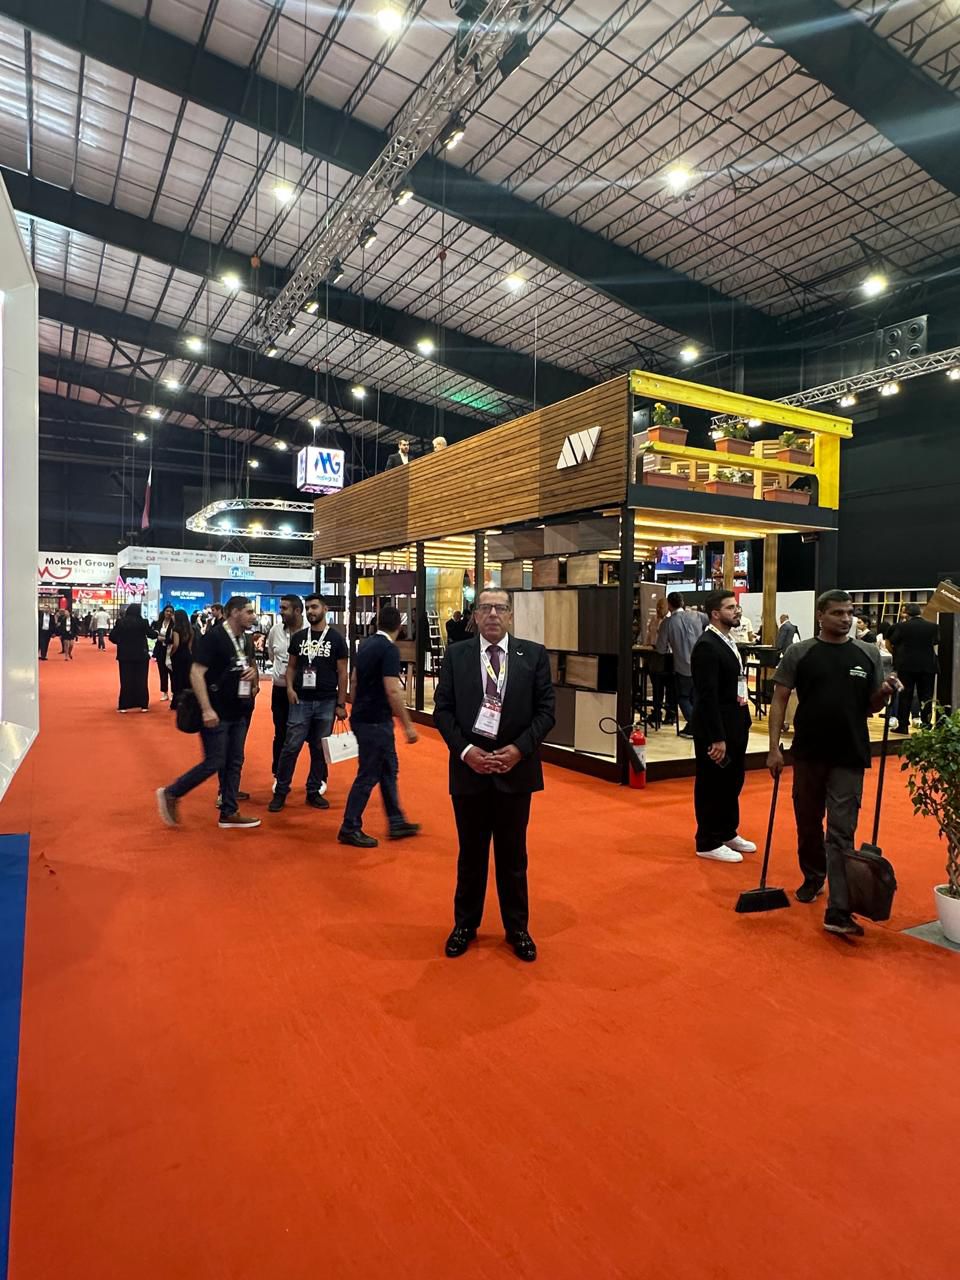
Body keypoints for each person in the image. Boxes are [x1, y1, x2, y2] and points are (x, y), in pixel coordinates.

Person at [766, 590, 901, 937]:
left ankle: (838, 908)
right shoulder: (800, 652)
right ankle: (814, 876)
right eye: (838, 613)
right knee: (808, 820)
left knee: (842, 830)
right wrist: (773, 747)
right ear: (821, 615)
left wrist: (884, 692)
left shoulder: (868, 653)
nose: (846, 618)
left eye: (849, 612)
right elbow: (779, 698)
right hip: (808, 751)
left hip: (850, 752)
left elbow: (871, 706)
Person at [433, 588, 556, 962]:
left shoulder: (532, 655)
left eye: (500, 608)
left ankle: (517, 929)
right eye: (485, 608)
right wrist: (466, 752)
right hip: (469, 770)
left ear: (510, 615)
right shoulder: (457, 655)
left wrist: (519, 750)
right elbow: (443, 711)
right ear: (475, 615)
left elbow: (546, 712)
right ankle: (465, 925)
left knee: (513, 856)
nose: (492, 614)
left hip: (515, 771)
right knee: (470, 854)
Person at [157, 596, 261, 829]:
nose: (253, 616)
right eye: (248, 612)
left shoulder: (244, 638)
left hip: (239, 709)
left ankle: (229, 811)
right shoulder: (214, 637)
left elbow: (246, 664)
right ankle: (172, 792)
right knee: (214, 761)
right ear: (234, 612)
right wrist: (206, 709)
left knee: (234, 761)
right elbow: (196, 673)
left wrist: (253, 677)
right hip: (216, 710)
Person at [337, 606, 420, 847]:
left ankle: (396, 820)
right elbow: (392, 690)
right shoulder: (389, 649)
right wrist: (408, 725)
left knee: (387, 769)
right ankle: (349, 826)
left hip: (363, 716)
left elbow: (354, 680)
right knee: (369, 774)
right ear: (399, 627)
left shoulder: (365, 645)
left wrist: (357, 708)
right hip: (376, 721)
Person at [689, 590, 755, 863]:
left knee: (732, 780)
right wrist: (717, 736)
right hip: (716, 729)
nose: (737, 611)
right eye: (730, 607)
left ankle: (727, 831)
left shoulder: (727, 640)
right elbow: (706, 695)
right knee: (712, 783)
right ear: (715, 614)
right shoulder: (707, 646)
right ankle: (707, 840)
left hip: (736, 722)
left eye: (736, 606)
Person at [269, 594, 349, 813]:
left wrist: (341, 704)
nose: (311, 611)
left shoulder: (336, 639)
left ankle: (313, 790)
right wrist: (289, 688)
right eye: (308, 607)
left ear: (325, 609)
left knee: (319, 748)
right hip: (300, 700)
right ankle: (281, 791)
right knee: (291, 746)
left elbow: (343, 673)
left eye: (314, 607)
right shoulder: (299, 638)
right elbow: (291, 667)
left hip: (326, 701)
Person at [656, 592, 708, 736]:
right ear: (683, 602)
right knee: (697, 697)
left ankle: (694, 725)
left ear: (669, 604)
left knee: (683, 697)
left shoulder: (667, 623)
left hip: (682, 665)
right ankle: (698, 725)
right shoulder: (697, 615)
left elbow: (661, 649)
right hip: (701, 664)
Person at [265, 594, 304, 780]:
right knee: (280, 733)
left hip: (304, 691)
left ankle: (319, 778)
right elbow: (272, 655)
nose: (280, 611)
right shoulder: (275, 631)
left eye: (284, 608)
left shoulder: (310, 631)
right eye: (280, 608)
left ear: (297, 610)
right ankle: (278, 775)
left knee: (311, 737)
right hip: (280, 690)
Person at [889, 603, 939, 734]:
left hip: (906, 665)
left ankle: (903, 726)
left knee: (905, 695)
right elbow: (936, 641)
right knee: (926, 696)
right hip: (928, 665)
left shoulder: (901, 626)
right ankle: (926, 724)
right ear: (919, 612)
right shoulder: (933, 626)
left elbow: (893, 641)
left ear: (906, 613)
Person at [109, 604, 157, 712]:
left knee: (126, 680)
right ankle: (143, 705)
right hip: (141, 655)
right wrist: (157, 632)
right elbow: (152, 635)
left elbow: (112, 637)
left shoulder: (121, 622)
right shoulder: (143, 622)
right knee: (142, 680)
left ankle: (124, 705)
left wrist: (121, 643)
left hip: (125, 655)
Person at [645, 595, 677, 729]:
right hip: (654, 657)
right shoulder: (653, 620)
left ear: (668, 607)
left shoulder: (671, 621)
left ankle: (670, 714)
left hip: (669, 658)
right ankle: (656, 712)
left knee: (670, 688)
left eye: (661, 607)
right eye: (657, 606)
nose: (658, 609)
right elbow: (649, 635)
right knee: (657, 687)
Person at [167, 609, 195, 709]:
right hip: (188, 655)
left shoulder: (176, 629)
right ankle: (187, 701)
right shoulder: (190, 629)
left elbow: (176, 644)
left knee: (177, 679)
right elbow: (190, 646)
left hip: (178, 656)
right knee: (186, 679)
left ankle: (176, 702)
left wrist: (170, 654)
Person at [154, 604, 175, 702]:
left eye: (171, 611)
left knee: (172, 672)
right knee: (162, 672)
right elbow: (154, 634)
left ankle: (174, 692)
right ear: (164, 612)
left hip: (171, 650)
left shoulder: (174, 624)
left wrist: (163, 639)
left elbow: (173, 638)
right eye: (167, 611)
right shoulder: (158, 623)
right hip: (160, 650)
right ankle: (165, 692)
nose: (169, 613)